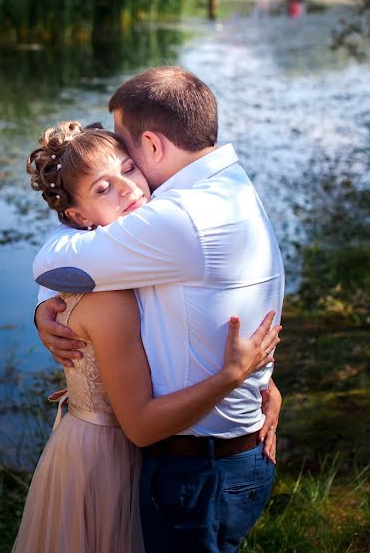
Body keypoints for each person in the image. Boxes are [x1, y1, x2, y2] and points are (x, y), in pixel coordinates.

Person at [33, 67, 286, 552]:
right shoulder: (230, 187)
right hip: (228, 457)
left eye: (127, 154)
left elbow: (51, 262)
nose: (127, 178)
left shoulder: (177, 219)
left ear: (150, 144)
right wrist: (51, 305)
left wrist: (49, 295)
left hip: (198, 469)